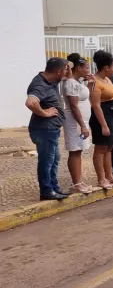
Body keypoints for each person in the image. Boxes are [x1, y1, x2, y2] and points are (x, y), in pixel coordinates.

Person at [26, 57, 70, 201]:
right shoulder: (40, 85)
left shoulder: (51, 80)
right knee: (47, 161)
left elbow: (66, 74)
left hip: (51, 130)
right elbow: (31, 102)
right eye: (65, 70)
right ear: (58, 71)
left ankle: (54, 187)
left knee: (54, 159)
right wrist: (45, 113)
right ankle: (46, 191)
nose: (67, 72)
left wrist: (67, 67)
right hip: (44, 130)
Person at [89, 51, 113, 190]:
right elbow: (96, 105)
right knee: (101, 147)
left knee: (110, 147)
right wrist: (103, 125)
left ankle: (109, 175)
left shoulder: (107, 79)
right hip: (102, 116)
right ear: (106, 67)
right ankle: (101, 178)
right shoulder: (95, 82)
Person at [63, 55, 94, 194]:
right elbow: (74, 106)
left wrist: (90, 84)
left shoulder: (79, 82)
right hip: (74, 122)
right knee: (75, 150)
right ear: (79, 67)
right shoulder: (71, 83)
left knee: (79, 150)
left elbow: (86, 99)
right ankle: (76, 183)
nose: (88, 70)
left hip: (82, 121)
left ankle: (79, 180)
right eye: (86, 67)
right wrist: (82, 125)